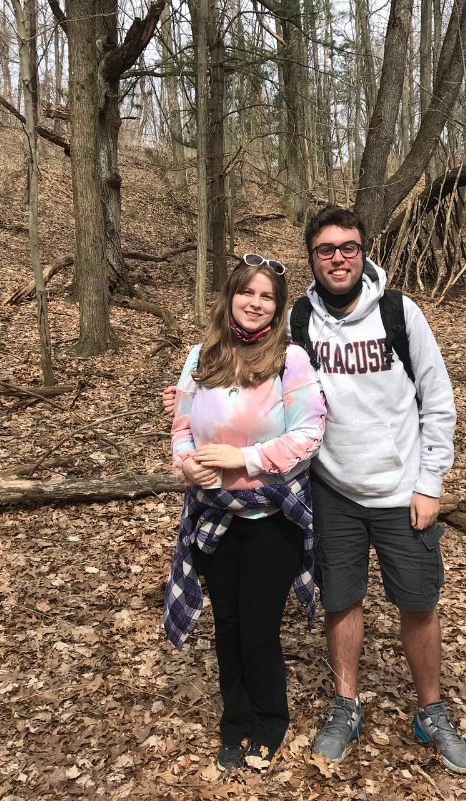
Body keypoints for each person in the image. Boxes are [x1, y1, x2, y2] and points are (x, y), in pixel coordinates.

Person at [164, 207, 466, 776]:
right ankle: (344, 705)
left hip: (402, 488)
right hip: (331, 491)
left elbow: (439, 402)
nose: (338, 258)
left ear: (364, 252)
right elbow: (242, 386)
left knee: (417, 601)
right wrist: (189, 416)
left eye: (348, 248)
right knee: (342, 600)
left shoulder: (400, 314)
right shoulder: (301, 320)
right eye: (326, 249)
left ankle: (432, 709)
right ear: (312, 258)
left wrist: (430, 483)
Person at [163, 255, 326, 773]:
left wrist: (245, 459)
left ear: (277, 309)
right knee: (228, 626)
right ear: (230, 296)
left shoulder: (291, 361)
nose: (255, 304)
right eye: (247, 293)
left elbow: (309, 435)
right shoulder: (201, 356)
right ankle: (234, 724)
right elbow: (182, 427)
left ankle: (269, 721)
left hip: (271, 516)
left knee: (258, 628)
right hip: (212, 516)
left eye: (267, 298)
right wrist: (187, 466)